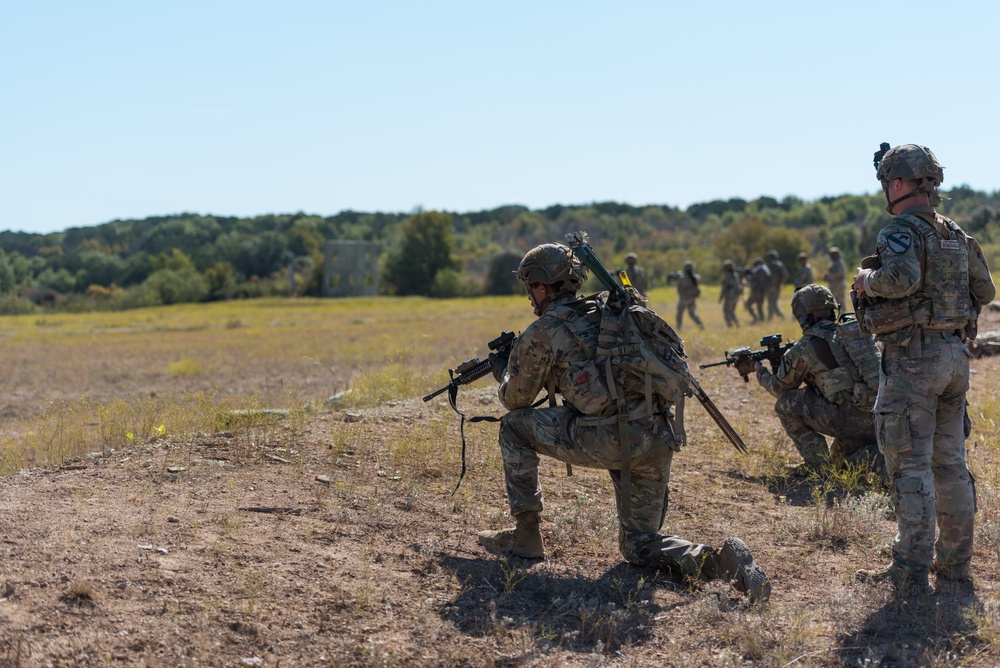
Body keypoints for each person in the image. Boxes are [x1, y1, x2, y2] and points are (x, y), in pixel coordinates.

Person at [478, 243, 770, 602]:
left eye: (530, 287)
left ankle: (526, 538)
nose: (530, 296)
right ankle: (724, 564)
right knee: (638, 545)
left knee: (513, 427)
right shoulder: (613, 310)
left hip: (611, 438)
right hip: (657, 435)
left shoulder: (544, 329)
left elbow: (516, 400)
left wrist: (504, 371)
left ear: (541, 286)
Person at [853, 143, 995, 592]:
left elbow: (902, 279)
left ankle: (910, 568)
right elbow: (986, 291)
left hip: (913, 361)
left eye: (885, 183)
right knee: (950, 464)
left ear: (897, 184)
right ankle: (955, 565)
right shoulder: (956, 233)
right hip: (955, 357)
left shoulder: (900, 231)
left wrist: (866, 281)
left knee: (908, 464)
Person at [753, 285, 882, 476]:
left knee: (786, 403)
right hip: (880, 420)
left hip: (851, 422)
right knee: (840, 463)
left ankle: (819, 468)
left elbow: (779, 388)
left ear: (805, 317)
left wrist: (758, 371)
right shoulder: (854, 333)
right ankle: (876, 455)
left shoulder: (804, 347)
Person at [672, 261, 703, 330]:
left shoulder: (682, 277)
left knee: (680, 313)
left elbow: (678, 286)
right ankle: (700, 325)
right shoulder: (696, 277)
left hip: (684, 299)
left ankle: (678, 328)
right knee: (692, 313)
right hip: (692, 298)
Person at [744, 258, 770, 323]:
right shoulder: (765, 269)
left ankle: (756, 318)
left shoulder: (759, 270)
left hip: (756, 292)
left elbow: (756, 282)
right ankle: (762, 320)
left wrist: (748, 282)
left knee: (748, 304)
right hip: (763, 291)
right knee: (759, 307)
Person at [719, 260, 744, 328]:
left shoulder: (727, 276)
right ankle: (737, 324)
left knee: (726, 311)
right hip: (736, 296)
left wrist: (721, 298)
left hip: (730, 296)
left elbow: (724, 288)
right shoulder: (736, 275)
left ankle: (729, 326)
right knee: (732, 311)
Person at [764, 250, 787, 321]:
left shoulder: (777, 265)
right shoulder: (771, 265)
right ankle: (770, 317)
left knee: (773, 303)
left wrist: (779, 283)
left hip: (775, 287)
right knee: (770, 302)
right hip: (771, 287)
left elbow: (785, 275)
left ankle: (781, 316)